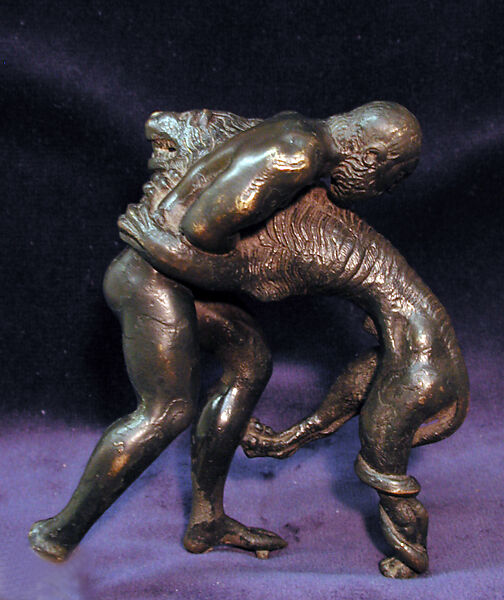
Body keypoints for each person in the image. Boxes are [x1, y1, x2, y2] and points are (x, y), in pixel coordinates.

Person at [31, 102, 462, 578]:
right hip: (153, 279)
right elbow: (201, 232)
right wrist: (167, 248)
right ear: (372, 156)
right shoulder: (298, 154)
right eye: (389, 179)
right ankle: (58, 534)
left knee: (250, 361)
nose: (379, 191)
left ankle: (206, 522)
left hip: (169, 276)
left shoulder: (297, 128)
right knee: (166, 411)